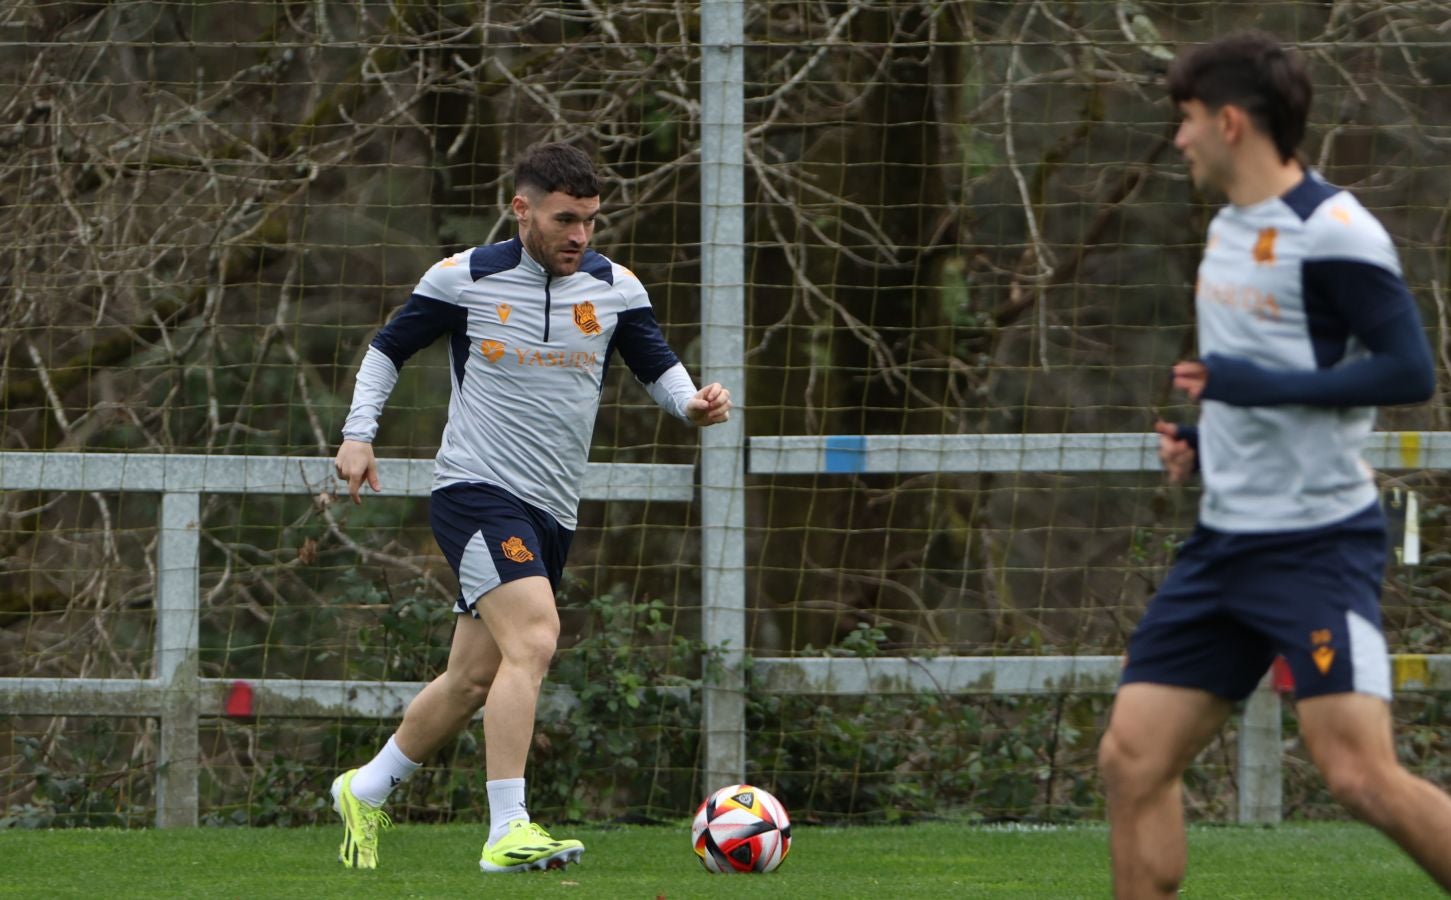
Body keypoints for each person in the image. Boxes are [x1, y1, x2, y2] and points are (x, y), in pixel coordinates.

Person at [1097, 31, 1451, 898]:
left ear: (1227, 123)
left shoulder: (1336, 232)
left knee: (1357, 777)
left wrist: (1253, 387)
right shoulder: (1223, 233)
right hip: (1222, 547)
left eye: (1183, 120)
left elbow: (1408, 370)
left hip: (1313, 547)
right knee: (1130, 759)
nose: (1175, 140)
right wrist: (1204, 437)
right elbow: (1252, 391)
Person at [328, 142, 732, 873]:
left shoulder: (614, 287)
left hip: (552, 509)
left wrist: (691, 403)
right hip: (475, 491)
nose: (579, 235)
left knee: (471, 680)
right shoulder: (463, 279)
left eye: (590, 221)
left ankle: (366, 786)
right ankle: (507, 829)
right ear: (522, 210)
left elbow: (653, 362)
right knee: (536, 639)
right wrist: (359, 435)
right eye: (565, 219)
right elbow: (387, 350)